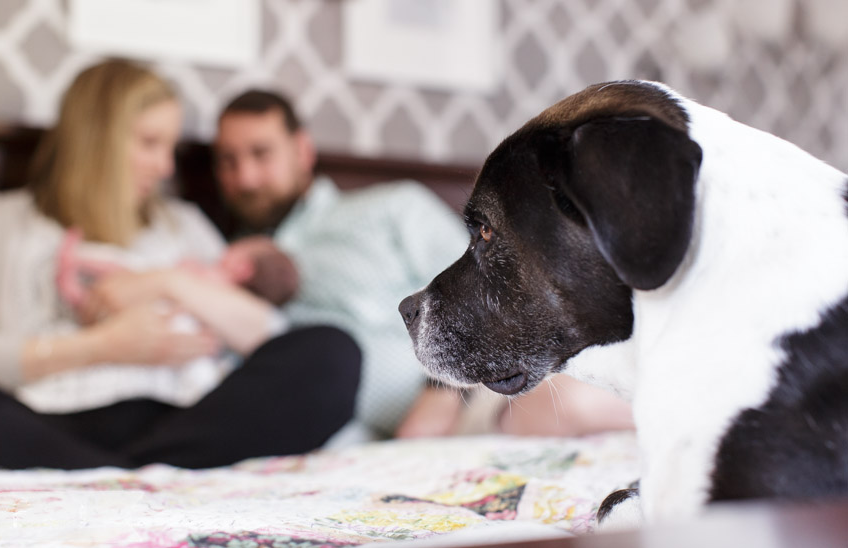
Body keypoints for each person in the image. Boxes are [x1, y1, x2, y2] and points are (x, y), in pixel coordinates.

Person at [0, 60, 361, 470]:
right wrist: (101, 346)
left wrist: (168, 283)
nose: (165, 168)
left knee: (333, 353)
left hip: (182, 422)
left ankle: (113, 473)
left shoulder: (184, 224)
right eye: (149, 143)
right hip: (47, 423)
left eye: (170, 148)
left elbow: (269, 334)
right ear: (95, 138)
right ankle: (126, 475)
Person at [212, 90, 635, 440]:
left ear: (302, 150)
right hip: (375, 444)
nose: (245, 177)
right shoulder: (228, 270)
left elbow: (492, 289)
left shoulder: (390, 208)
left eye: (261, 154)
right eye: (228, 161)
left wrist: (442, 389)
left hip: (473, 392)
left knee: (576, 405)